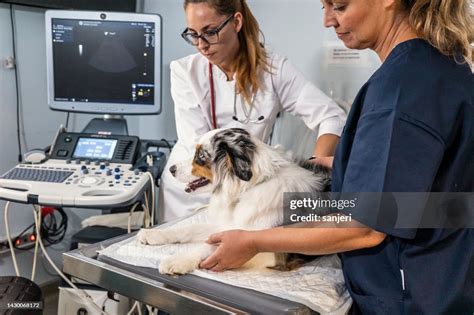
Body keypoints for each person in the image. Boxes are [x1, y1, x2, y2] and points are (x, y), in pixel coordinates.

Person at [199, 0, 474, 313]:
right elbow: (428, 189)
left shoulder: (400, 90)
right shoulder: (440, 65)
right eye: (324, 7)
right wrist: (346, 165)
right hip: (448, 268)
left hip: (411, 292)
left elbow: (366, 227)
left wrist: (254, 241)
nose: (328, 21)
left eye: (339, 6)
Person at [160, 0, 347, 222]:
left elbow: (331, 116)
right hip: (189, 190)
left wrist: (314, 166)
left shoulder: (273, 69)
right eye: (193, 34)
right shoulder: (185, 71)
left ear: (236, 22)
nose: (201, 45)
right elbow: (197, 146)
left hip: (244, 191)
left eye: (210, 32)